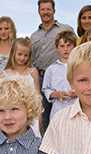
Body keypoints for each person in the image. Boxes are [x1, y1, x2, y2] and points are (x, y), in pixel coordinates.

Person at [31, 0, 73, 131]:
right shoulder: (34, 36)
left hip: (65, 75)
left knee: (66, 112)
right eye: (42, 9)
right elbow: (31, 59)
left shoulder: (66, 29)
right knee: (42, 115)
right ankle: (46, 147)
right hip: (41, 78)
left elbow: (77, 48)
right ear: (39, 11)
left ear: (54, 11)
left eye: (48, 9)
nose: (45, 12)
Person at [3, 37, 41, 137]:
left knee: (32, 141)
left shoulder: (33, 72)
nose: (22, 58)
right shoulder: (6, 74)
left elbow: (37, 94)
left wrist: (39, 114)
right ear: (13, 53)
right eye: (19, 54)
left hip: (31, 114)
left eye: (26, 55)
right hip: (12, 114)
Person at [42, 30, 77, 119]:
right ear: (57, 48)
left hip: (76, 108)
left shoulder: (80, 67)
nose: (65, 49)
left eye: (69, 45)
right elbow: (46, 89)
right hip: (58, 110)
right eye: (62, 46)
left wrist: (78, 92)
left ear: (74, 47)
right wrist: (56, 94)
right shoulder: (51, 69)